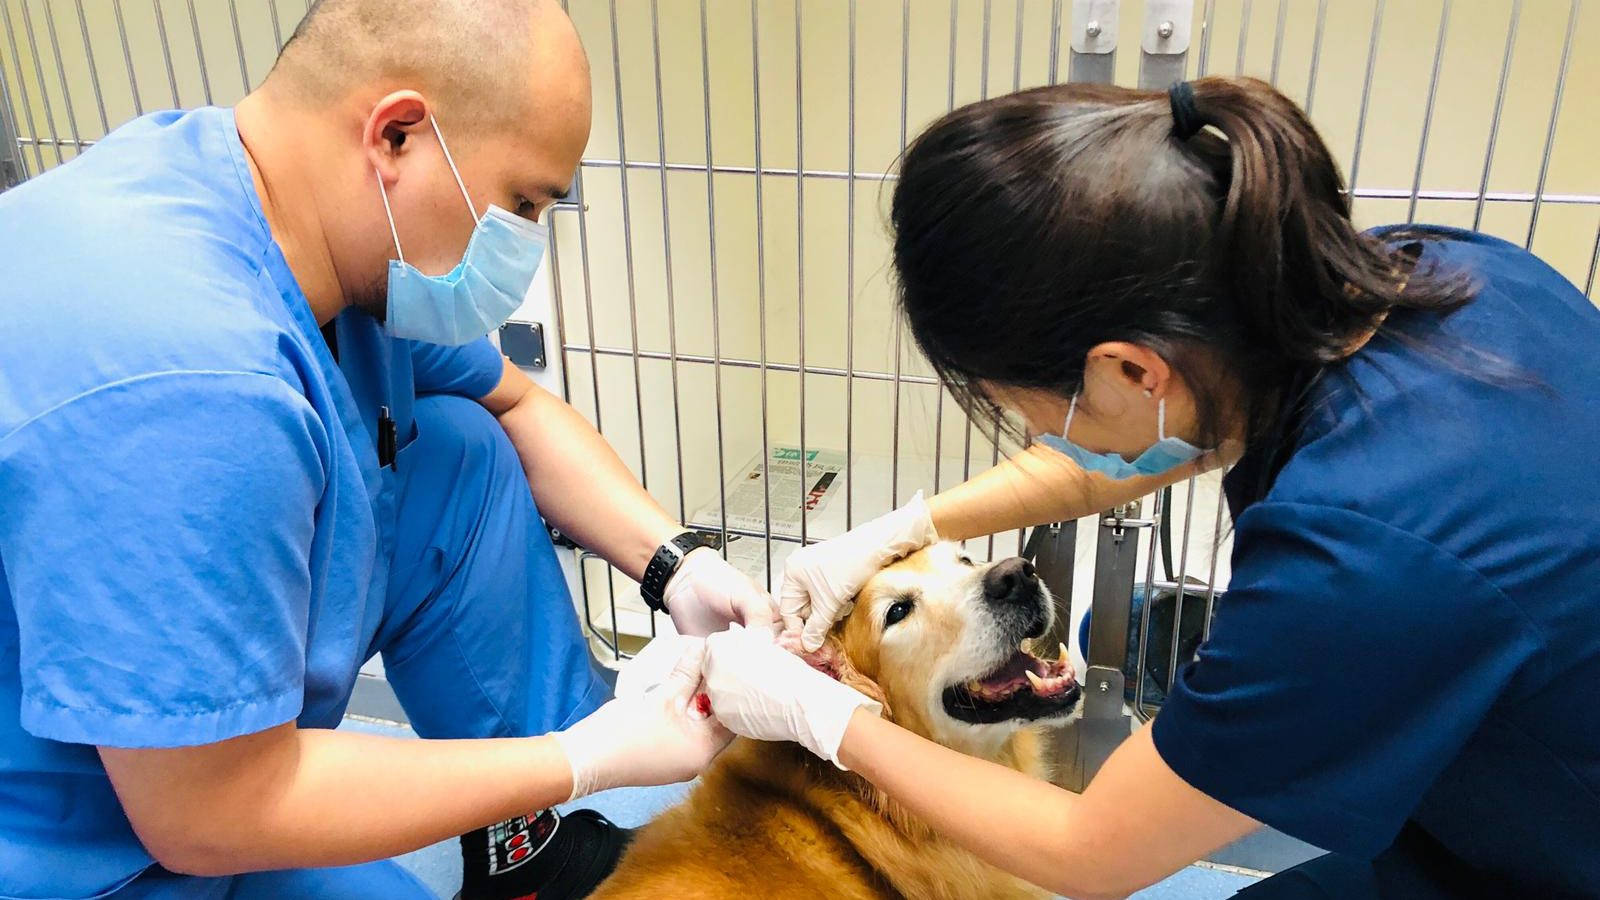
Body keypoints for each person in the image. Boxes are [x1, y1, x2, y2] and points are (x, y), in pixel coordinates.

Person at [702, 76, 1600, 899]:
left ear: (1132, 371)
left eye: (1031, 412)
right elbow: (1132, 452)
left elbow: (1094, 850)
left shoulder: (1361, 560)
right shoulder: (1439, 275)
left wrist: (821, 715)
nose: (1040, 440)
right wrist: (902, 527)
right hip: (1478, 815)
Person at [0, 1, 770, 897]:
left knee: (458, 449)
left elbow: (516, 402)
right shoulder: (192, 382)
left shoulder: (274, 201)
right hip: (115, 839)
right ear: (398, 134)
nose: (523, 242)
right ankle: (532, 793)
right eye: (522, 203)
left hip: (200, 774)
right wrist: (580, 758)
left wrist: (674, 568)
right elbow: (207, 816)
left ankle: (526, 843)